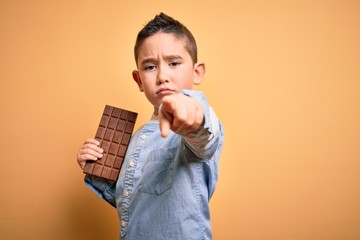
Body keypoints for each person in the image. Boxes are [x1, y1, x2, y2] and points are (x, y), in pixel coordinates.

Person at [77, 12, 224, 240]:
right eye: (150, 67)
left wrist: (193, 115)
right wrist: (98, 171)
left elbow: (203, 134)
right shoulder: (136, 138)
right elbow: (132, 204)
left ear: (197, 72)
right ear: (138, 80)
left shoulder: (194, 127)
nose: (162, 76)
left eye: (174, 63)